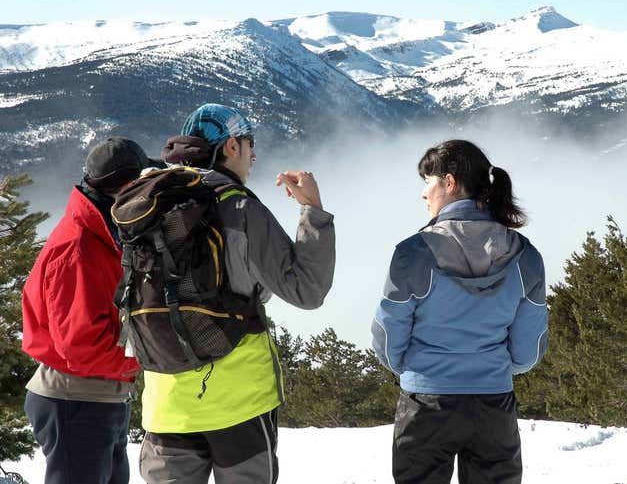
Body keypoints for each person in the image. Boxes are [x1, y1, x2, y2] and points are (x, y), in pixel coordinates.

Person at [139, 103, 336, 484]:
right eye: (249, 144)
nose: (254, 155)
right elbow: (306, 290)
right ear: (231, 146)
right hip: (238, 405)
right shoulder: (239, 207)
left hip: (166, 405)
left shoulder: (149, 207)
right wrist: (312, 210)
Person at [371, 139, 549, 484]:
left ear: (449, 183)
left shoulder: (413, 253)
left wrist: (413, 370)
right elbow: (529, 348)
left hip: (427, 403)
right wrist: (492, 368)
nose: (425, 194)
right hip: (493, 403)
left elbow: (388, 333)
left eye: (428, 182)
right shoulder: (525, 256)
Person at [22, 137, 156, 484]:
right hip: (75, 401)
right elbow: (82, 348)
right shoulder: (79, 248)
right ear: (126, 187)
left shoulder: (103, 234)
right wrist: (147, 359)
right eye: (143, 182)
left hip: (96, 398)